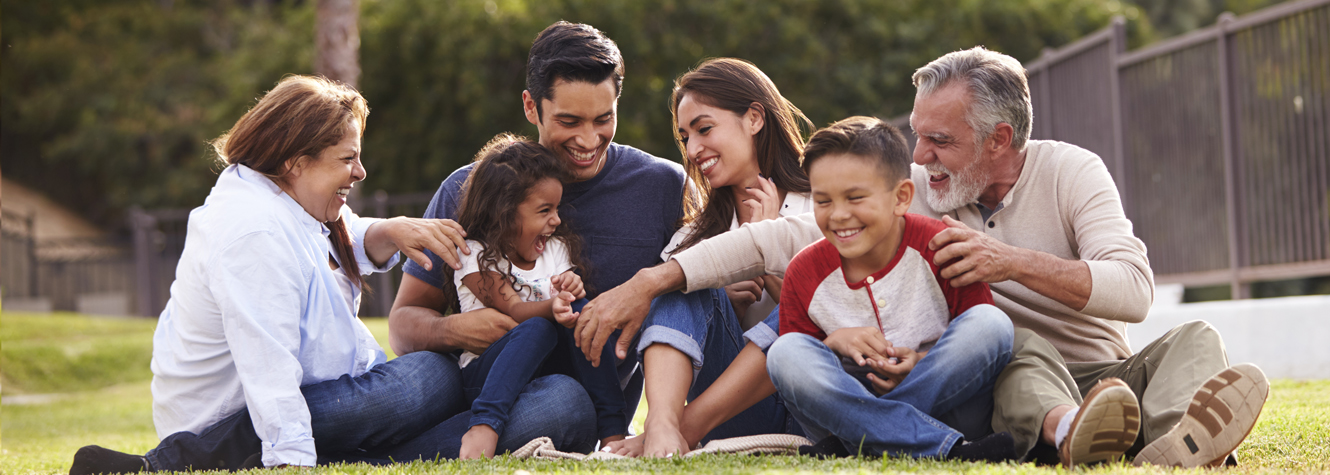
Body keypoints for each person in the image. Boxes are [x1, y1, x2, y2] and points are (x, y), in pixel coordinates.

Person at [576, 46, 1269, 468]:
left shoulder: (1070, 170)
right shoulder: (926, 194)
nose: (920, 156)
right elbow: (792, 240)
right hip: (1012, 376)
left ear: (999, 139)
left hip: (1101, 367)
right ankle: (1075, 433)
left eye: (938, 140)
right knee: (1010, 339)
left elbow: (1134, 289)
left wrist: (1008, 261)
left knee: (1198, 337)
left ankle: (1172, 442)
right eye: (917, 137)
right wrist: (657, 275)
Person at [67, 76, 596, 475]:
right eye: (348, 159)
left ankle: (355, 460)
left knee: (561, 403)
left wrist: (387, 231)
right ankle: (164, 466)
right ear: (297, 162)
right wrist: (294, 461)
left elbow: (336, 232)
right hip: (245, 419)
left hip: (325, 408)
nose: (360, 173)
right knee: (430, 378)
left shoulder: (285, 199)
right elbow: (269, 377)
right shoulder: (251, 234)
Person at [388, 21, 687, 449]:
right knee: (407, 386)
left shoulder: (663, 186)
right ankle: (273, 431)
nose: (589, 139)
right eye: (569, 121)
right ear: (532, 107)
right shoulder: (468, 188)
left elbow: (697, 298)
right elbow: (401, 326)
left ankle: (379, 457)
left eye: (604, 119)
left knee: (562, 402)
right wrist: (455, 330)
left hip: (569, 399)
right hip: (465, 381)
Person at [768, 115, 1017, 461]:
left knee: (992, 323)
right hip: (847, 401)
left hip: (946, 405)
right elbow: (803, 373)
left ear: (901, 197)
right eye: (823, 201)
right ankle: (947, 450)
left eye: (855, 197)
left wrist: (922, 361)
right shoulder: (804, 272)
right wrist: (832, 341)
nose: (838, 215)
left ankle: (857, 445)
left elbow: (973, 338)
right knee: (785, 351)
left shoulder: (939, 246)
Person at [602, 58, 812, 457]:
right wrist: (723, 308)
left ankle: (680, 428)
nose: (693, 150)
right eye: (685, 138)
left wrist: (762, 249)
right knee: (680, 276)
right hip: (738, 414)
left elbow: (830, 316)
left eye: (704, 128)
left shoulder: (823, 205)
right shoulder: (695, 234)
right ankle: (662, 426)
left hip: (816, 401)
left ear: (754, 118)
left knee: (694, 274)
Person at [445, 134, 625, 459]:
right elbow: (514, 310)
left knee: (584, 314)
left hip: (545, 375)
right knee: (538, 327)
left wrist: (571, 290)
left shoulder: (555, 249)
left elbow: (565, 305)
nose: (556, 220)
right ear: (504, 213)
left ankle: (614, 432)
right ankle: (485, 423)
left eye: (557, 208)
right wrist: (554, 307)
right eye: (544, 210)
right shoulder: (475, 254)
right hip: (485, 375)